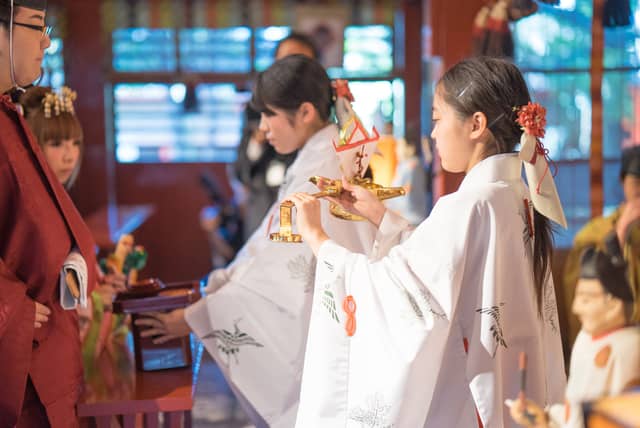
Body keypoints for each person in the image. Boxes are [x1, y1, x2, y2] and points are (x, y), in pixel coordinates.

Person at [288, 56, 566, 427]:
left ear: (476, 125)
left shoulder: (471, 203)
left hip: (468, 399)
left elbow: (393, 291)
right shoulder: (514, 193)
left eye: (437, 119)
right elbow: (444, 267)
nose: (432, 134)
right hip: (511, 385)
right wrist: (382, 217)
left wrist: (319, 240)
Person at [135, 55, 376, 428]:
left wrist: (197, 316)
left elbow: (279, 270)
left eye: (269, 115)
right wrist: (219, 286)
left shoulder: (324, 167)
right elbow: (269, 242)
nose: (263, 129)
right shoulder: (322, 154)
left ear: (307, 111)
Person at [0, 0, 97, 426]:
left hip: (49, 341)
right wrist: (8, 304)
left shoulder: (9, 115)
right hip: (21, 355)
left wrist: (74, 255)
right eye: (35, 25)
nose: (46, 40)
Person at [508, 231, 640, 428]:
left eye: (587, 299)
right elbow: (576, 407)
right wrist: (545, 419)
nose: (576, 308)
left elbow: (615, 416)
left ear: (614, 304)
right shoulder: (585, 339)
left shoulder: (628, 348)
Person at [233, 32, 318, 241]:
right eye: (286, 60)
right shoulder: (256, 107)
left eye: (300, 61)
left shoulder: (323, 108)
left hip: (308, 210)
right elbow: (242, 169)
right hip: (263, 209)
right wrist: (257, 141)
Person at [562, 145, 640, 349]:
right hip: (611, 339)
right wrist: (621, 234)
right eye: (636, 182)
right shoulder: (594, 234)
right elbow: (584, 296)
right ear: (623, 183)